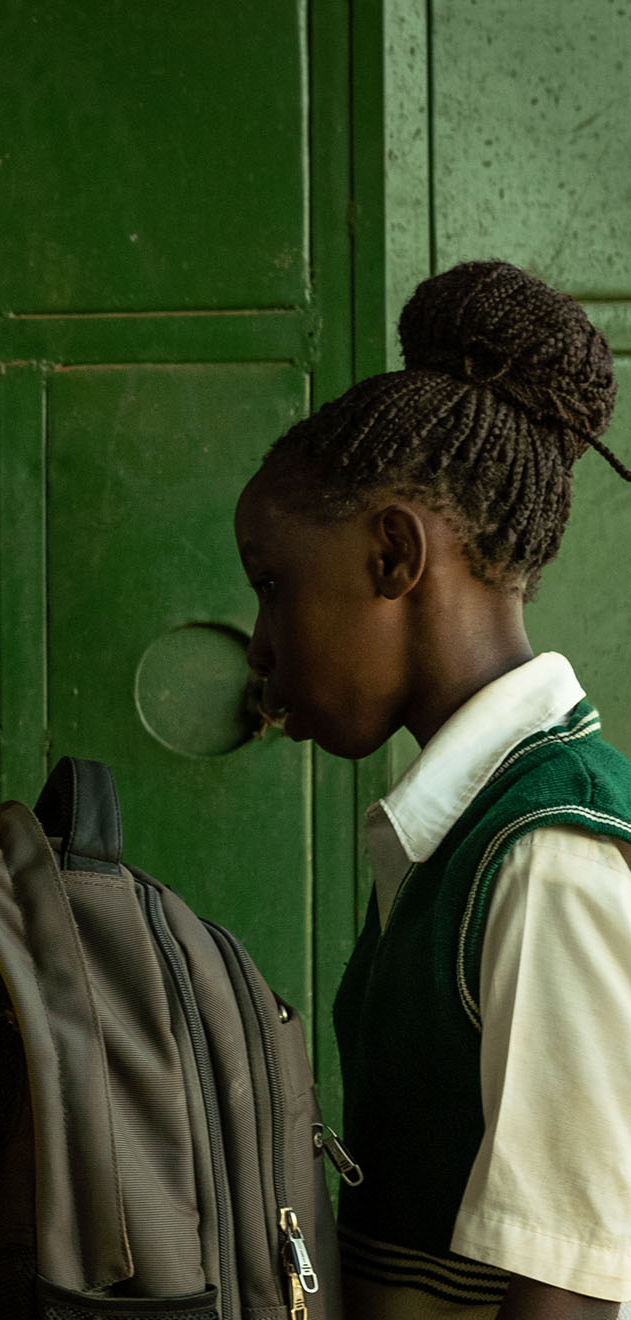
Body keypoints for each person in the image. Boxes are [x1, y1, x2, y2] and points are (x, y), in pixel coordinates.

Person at [233, 260, 631, 1320]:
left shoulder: (550, 851)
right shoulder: (461, 829)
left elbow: (572, 1295)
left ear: (393, 555)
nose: (262, 647)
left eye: (275, 586)